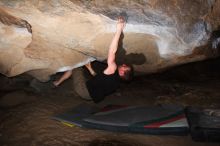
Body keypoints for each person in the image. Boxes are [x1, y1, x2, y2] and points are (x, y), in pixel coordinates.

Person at [53, 17, 133, 103]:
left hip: (84, 90)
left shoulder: (113, 68)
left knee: (76, 66)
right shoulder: (116, 84)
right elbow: (100, 80)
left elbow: (112, 51)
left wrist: (119, 30)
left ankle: (57, 83)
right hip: (90, 96)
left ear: (121, 73)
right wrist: (90, 68)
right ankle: (58, 83)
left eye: (125, 67)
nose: (123, 65)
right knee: (83, 69)